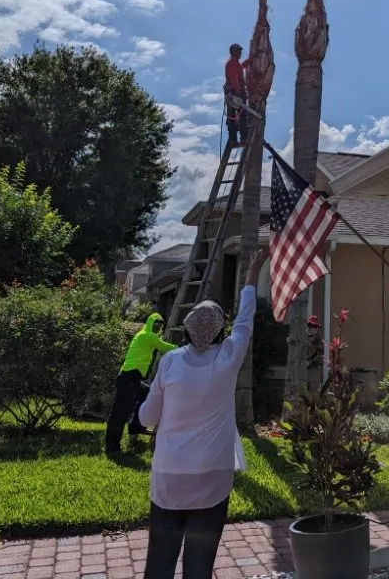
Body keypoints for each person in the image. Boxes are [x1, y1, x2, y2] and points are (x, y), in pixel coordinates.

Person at [138, 247, 268, 579]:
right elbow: (245, 320)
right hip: (213, 478)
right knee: (200, 565)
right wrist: (252, 276)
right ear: (220, 330)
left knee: (160, 561)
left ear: (187, 326)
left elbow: (146, 419)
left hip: (169, 478)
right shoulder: (229, 358)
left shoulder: (170, 362)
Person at [105, 312, 176, 455]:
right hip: (128, 378)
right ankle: (112, 447)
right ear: (150, 324)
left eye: (160, 326)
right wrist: (184, 348)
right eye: (155, 325)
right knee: (119, 414)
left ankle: (136, 425)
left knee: (148, 395)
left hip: (133, 379)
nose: (157, 328)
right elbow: (165, 347)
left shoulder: (146, 335)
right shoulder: (147, 336)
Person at [224, 43, 249, 147]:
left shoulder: (233, 62)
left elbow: (240, 67)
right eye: (238, 51)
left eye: (240, 51)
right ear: (233, 52)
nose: (240, 53)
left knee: (231, 116)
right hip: (235, 91)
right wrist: (238, 90)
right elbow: (234, 77)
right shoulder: (233, 62)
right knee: (242, 115)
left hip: (230, 92)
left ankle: (233, 140)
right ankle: (243, 138)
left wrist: (249, 60)